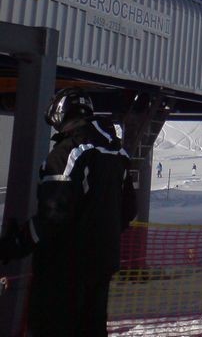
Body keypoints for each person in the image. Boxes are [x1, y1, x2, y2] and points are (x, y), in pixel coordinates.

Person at [0, 87, 137, 337]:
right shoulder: (116, 153)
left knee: (50, 327)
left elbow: (53, 215)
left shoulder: (70, 151)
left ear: (60, 114)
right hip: (101, 265)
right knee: (91, 327)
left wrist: (15, 244)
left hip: (64, 269)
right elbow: (129, 210)